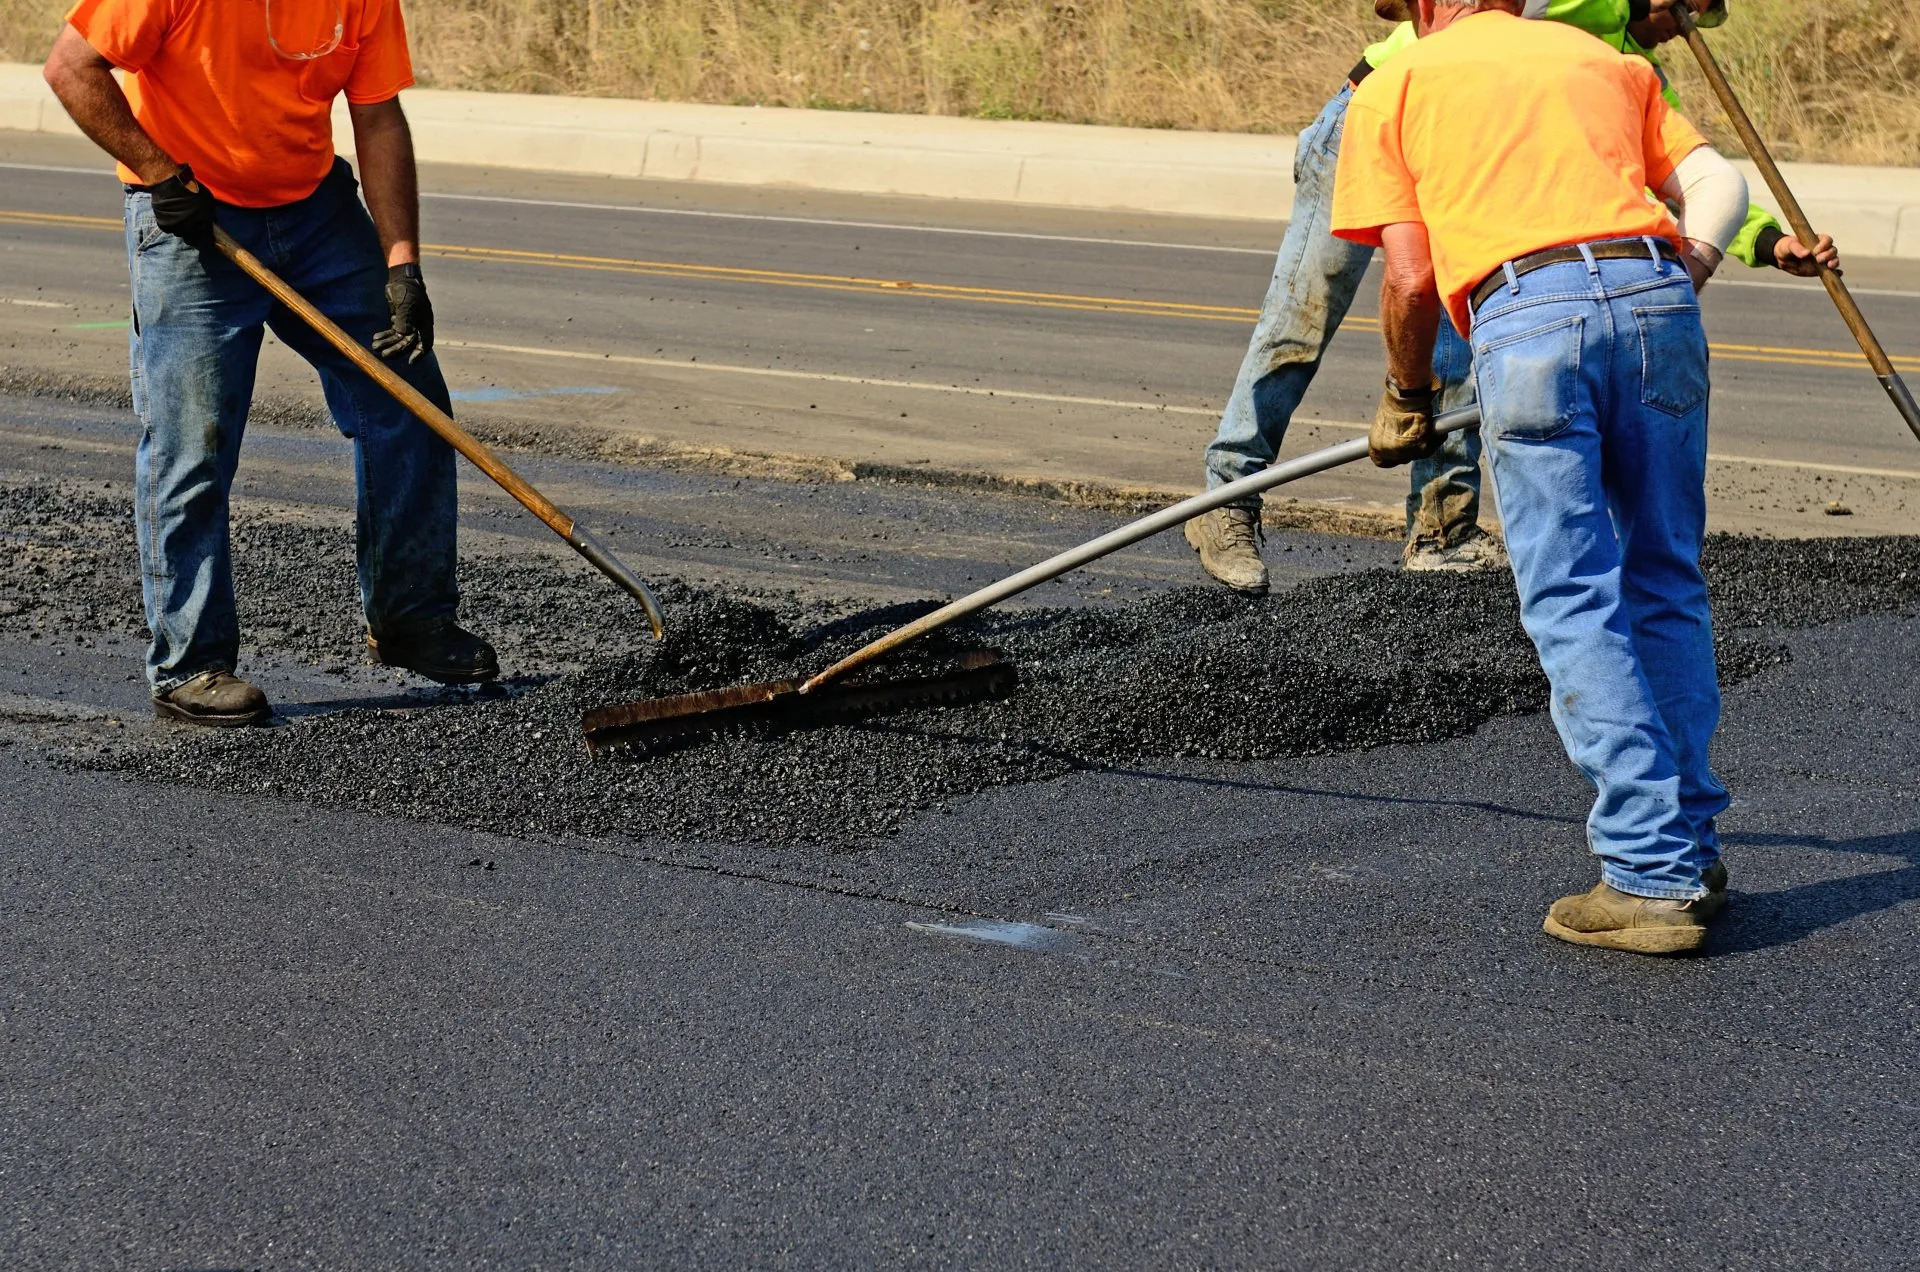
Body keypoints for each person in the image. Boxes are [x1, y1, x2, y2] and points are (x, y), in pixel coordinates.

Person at [1331, 0, 1755, 953]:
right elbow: (1714, 184)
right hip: (1655, 291)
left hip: (1524, 311)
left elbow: (1407, 277)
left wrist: (1407, 394)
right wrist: (1678, 267)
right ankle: (1690, 844)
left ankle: (1649, 874)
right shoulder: (1595, 56)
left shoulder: (1396, 81)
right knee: (1665, 577)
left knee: (1572, 595)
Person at [1185, 0, 1838, 593]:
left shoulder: (1619, 56)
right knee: (1305, 314)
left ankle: (1441, 530)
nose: (1685, 25)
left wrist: (1767, 241)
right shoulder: (1573, 10)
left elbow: (1669, 164)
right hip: (1378, 115)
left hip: (1463, 145)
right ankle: (1228, 498)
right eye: (1692, 7)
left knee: (1473, 324)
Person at [43, 0, 497, 727]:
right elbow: (71, 69)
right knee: (192, 442)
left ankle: (411, 619)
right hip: (192, 217)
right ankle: (190, 665)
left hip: (316, 211)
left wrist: (402, 266)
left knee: (408, 394)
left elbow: (378, 116)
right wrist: (161, 175)